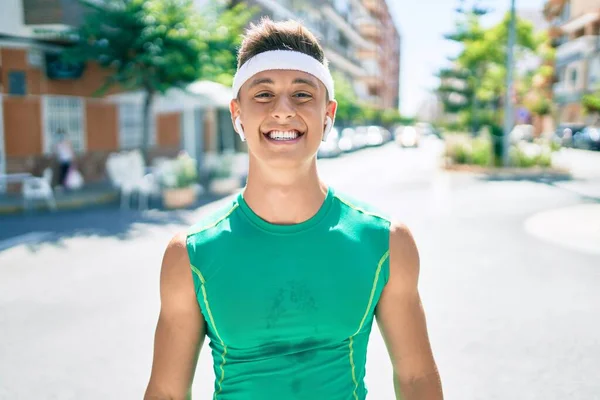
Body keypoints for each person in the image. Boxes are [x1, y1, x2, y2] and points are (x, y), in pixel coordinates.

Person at [145, 18, 443, 400]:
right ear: (237, 113)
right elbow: (167, 393)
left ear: (328, 114)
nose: (283, 110)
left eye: (302, 94)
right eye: (263, 94)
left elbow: (417, 378)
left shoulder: (385, 242)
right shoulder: (190, 254)